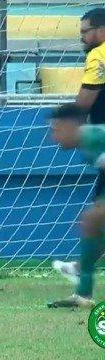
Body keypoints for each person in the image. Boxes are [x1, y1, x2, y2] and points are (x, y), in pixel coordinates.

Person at [48, 104, 105, 308]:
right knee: (91, 221)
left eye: (57, 130)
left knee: (93, 219)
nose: (53, 137)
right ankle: (83, 294)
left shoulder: (94, 139)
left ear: (72, 126)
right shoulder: (90, 145)